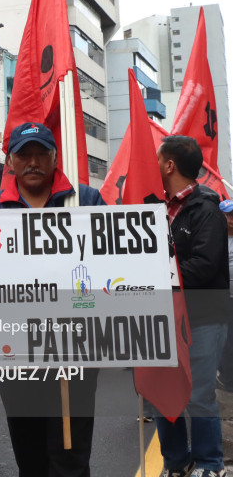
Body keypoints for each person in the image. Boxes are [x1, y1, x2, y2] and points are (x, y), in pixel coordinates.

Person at [0, 122, 104, 477]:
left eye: (41, 153)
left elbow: (113, 266)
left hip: (75, 351)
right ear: (9, 161)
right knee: (29, 456)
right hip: (14, 351)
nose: (33, 161)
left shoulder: (86, 200)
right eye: (24, 154)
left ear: (55, 158)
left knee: (70, 457)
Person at [155, 135, 229, 477]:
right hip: (160, 321)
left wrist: (157, 277)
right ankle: (176, 461)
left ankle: (210, 463)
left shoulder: (207, 209)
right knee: (161, 395)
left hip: (202, 319)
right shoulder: (153, 208)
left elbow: (205, 263)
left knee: (199, 395)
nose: (151, 166)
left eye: (156, 159)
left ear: (169, 165)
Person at [217, 198, 233, 393]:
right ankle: (228, 380)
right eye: (228, 215)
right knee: (226, 341)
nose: (231, 219)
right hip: (223, 299)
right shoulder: (216, 238)